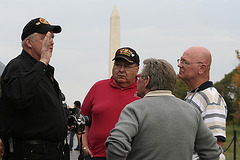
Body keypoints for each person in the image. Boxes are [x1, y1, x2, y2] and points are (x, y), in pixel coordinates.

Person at [105, 58, 223, 160]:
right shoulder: (191, 111)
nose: (137, 80)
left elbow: (116, 144)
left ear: (147, 81)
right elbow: (212, 152)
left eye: (139, 77)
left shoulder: (135, 109)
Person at [0, 17, 67, 160]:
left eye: (52, 37)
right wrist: (42, 62)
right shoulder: (17, 66)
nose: (51, 42)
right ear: (28, 42)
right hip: (30, 152)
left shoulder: (43, 71)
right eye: (45, 38)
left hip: (51, 151)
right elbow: (18, 96)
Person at [81, 47, 140, 160]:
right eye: (117, 65)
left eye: (127, 66)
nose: (121, 70)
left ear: (137, 70)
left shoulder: (143, 91)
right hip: (96, 156)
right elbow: (83, 120)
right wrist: (84, 147)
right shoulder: (97, 87)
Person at [177, 46, 227, 160]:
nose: (180, 65)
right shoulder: (195, 96)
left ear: (201, 68)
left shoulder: (211, 99)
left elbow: (215, 145)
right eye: (180, 61)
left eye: (185, 62)